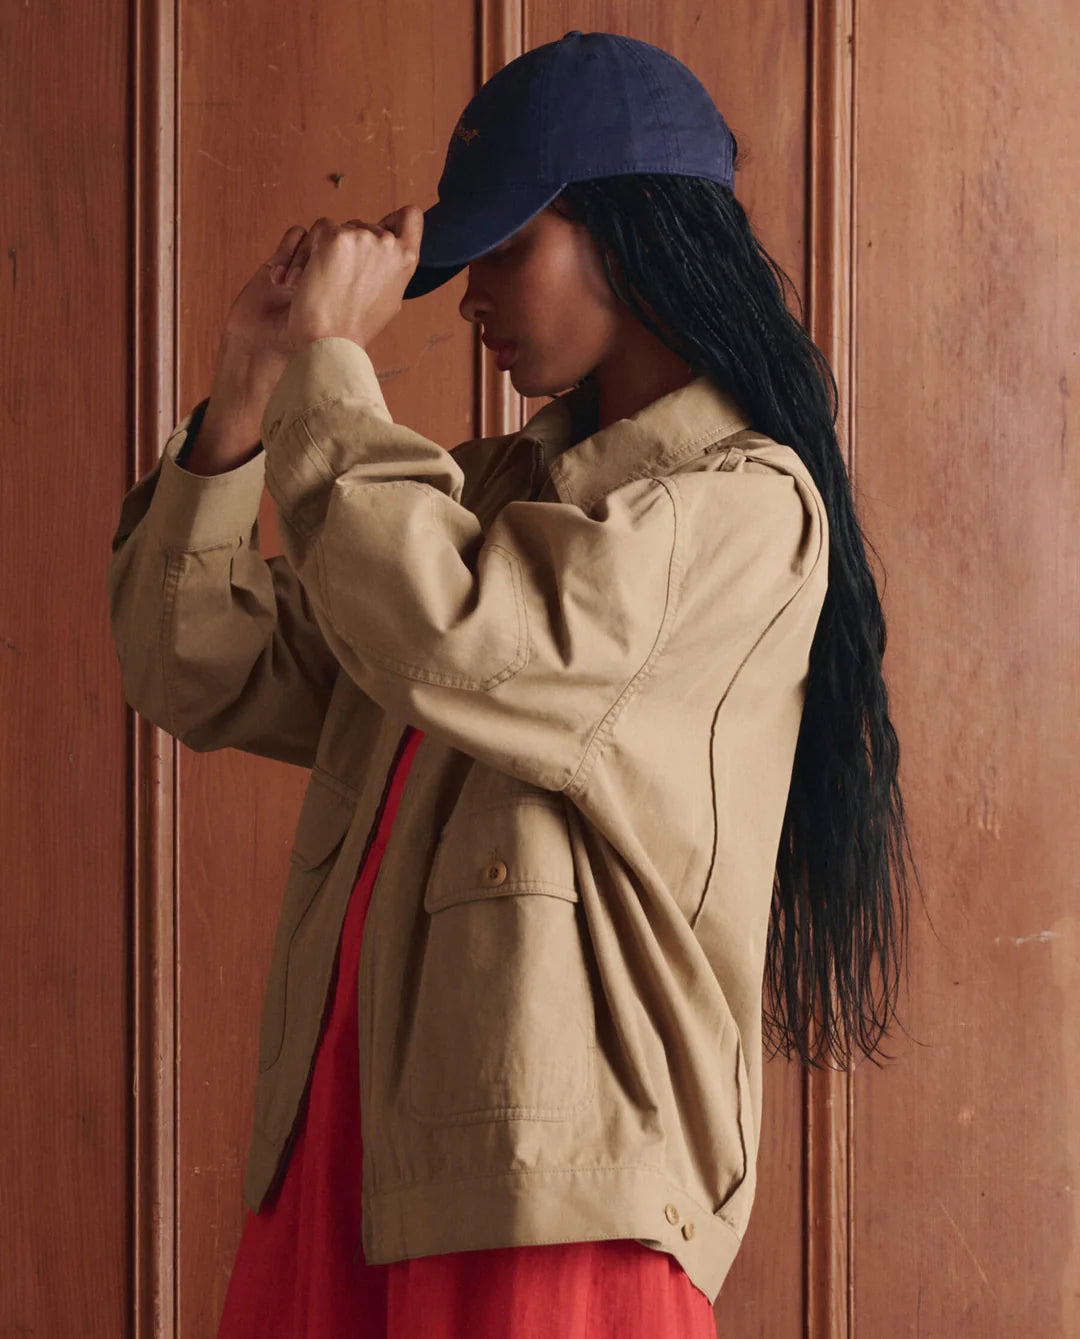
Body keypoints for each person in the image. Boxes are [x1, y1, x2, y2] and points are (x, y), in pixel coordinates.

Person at [107, 29, 917, 1338]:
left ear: (632, 236)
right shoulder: (478, 497)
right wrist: (251, 393)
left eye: (506, 246)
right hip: (353, 1165)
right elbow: (194, 665)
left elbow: (473, 629)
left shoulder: (747, 511)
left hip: (557, 1199)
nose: (472, 291)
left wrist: (335, 377)